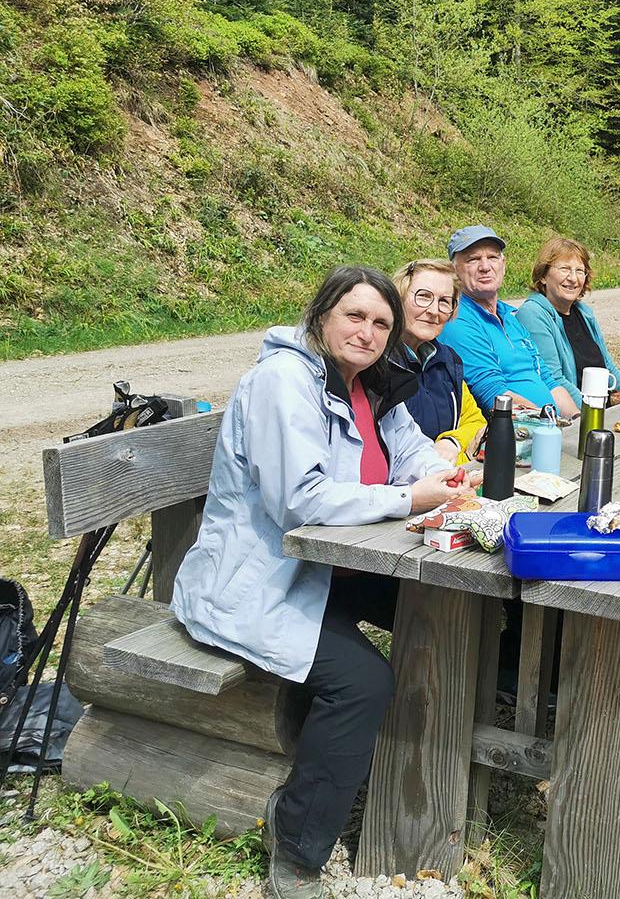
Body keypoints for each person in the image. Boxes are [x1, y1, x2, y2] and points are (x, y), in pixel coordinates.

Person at [171, 266, 474, 899]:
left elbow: (411, 449)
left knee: (457, 602)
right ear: (321, 316)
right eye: (354, 316)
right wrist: (407, 498)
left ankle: (444, 764)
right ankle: (297, 844)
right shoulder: (284, 381)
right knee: (362, 682)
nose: (368, 332)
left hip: (333, 565)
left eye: (381, 323)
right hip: (258, 579)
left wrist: (445, 475)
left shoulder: (370, 382)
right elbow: (298, 501)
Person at [437, 225, 579, 418]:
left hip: (549, 424)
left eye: (493, 257)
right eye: (473, 259)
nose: (485, 267)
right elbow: (493, 395)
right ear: (453, 271)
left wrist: (577, 421)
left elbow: (548, 379)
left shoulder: (510, 316)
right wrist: (551, 424)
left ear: (503, 265)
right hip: (515, 430)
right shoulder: (458, 320)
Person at [390, 259, 487, 465]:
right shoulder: (378, 363)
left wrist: (453, 442)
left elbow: (476, 423)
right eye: (423, 296)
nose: (434, 310)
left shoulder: (447, 361)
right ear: (398, 299)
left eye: (444, 301)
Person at [517, 237, 620, 403]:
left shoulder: (584, 314)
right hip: (576, 412)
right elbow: (554, 379)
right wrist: (594, 413)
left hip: (601, 407)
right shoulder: (533, 314)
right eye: (565, 269)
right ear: (543, 276)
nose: (573, 278)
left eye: (579, 271)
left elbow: (609, 368)